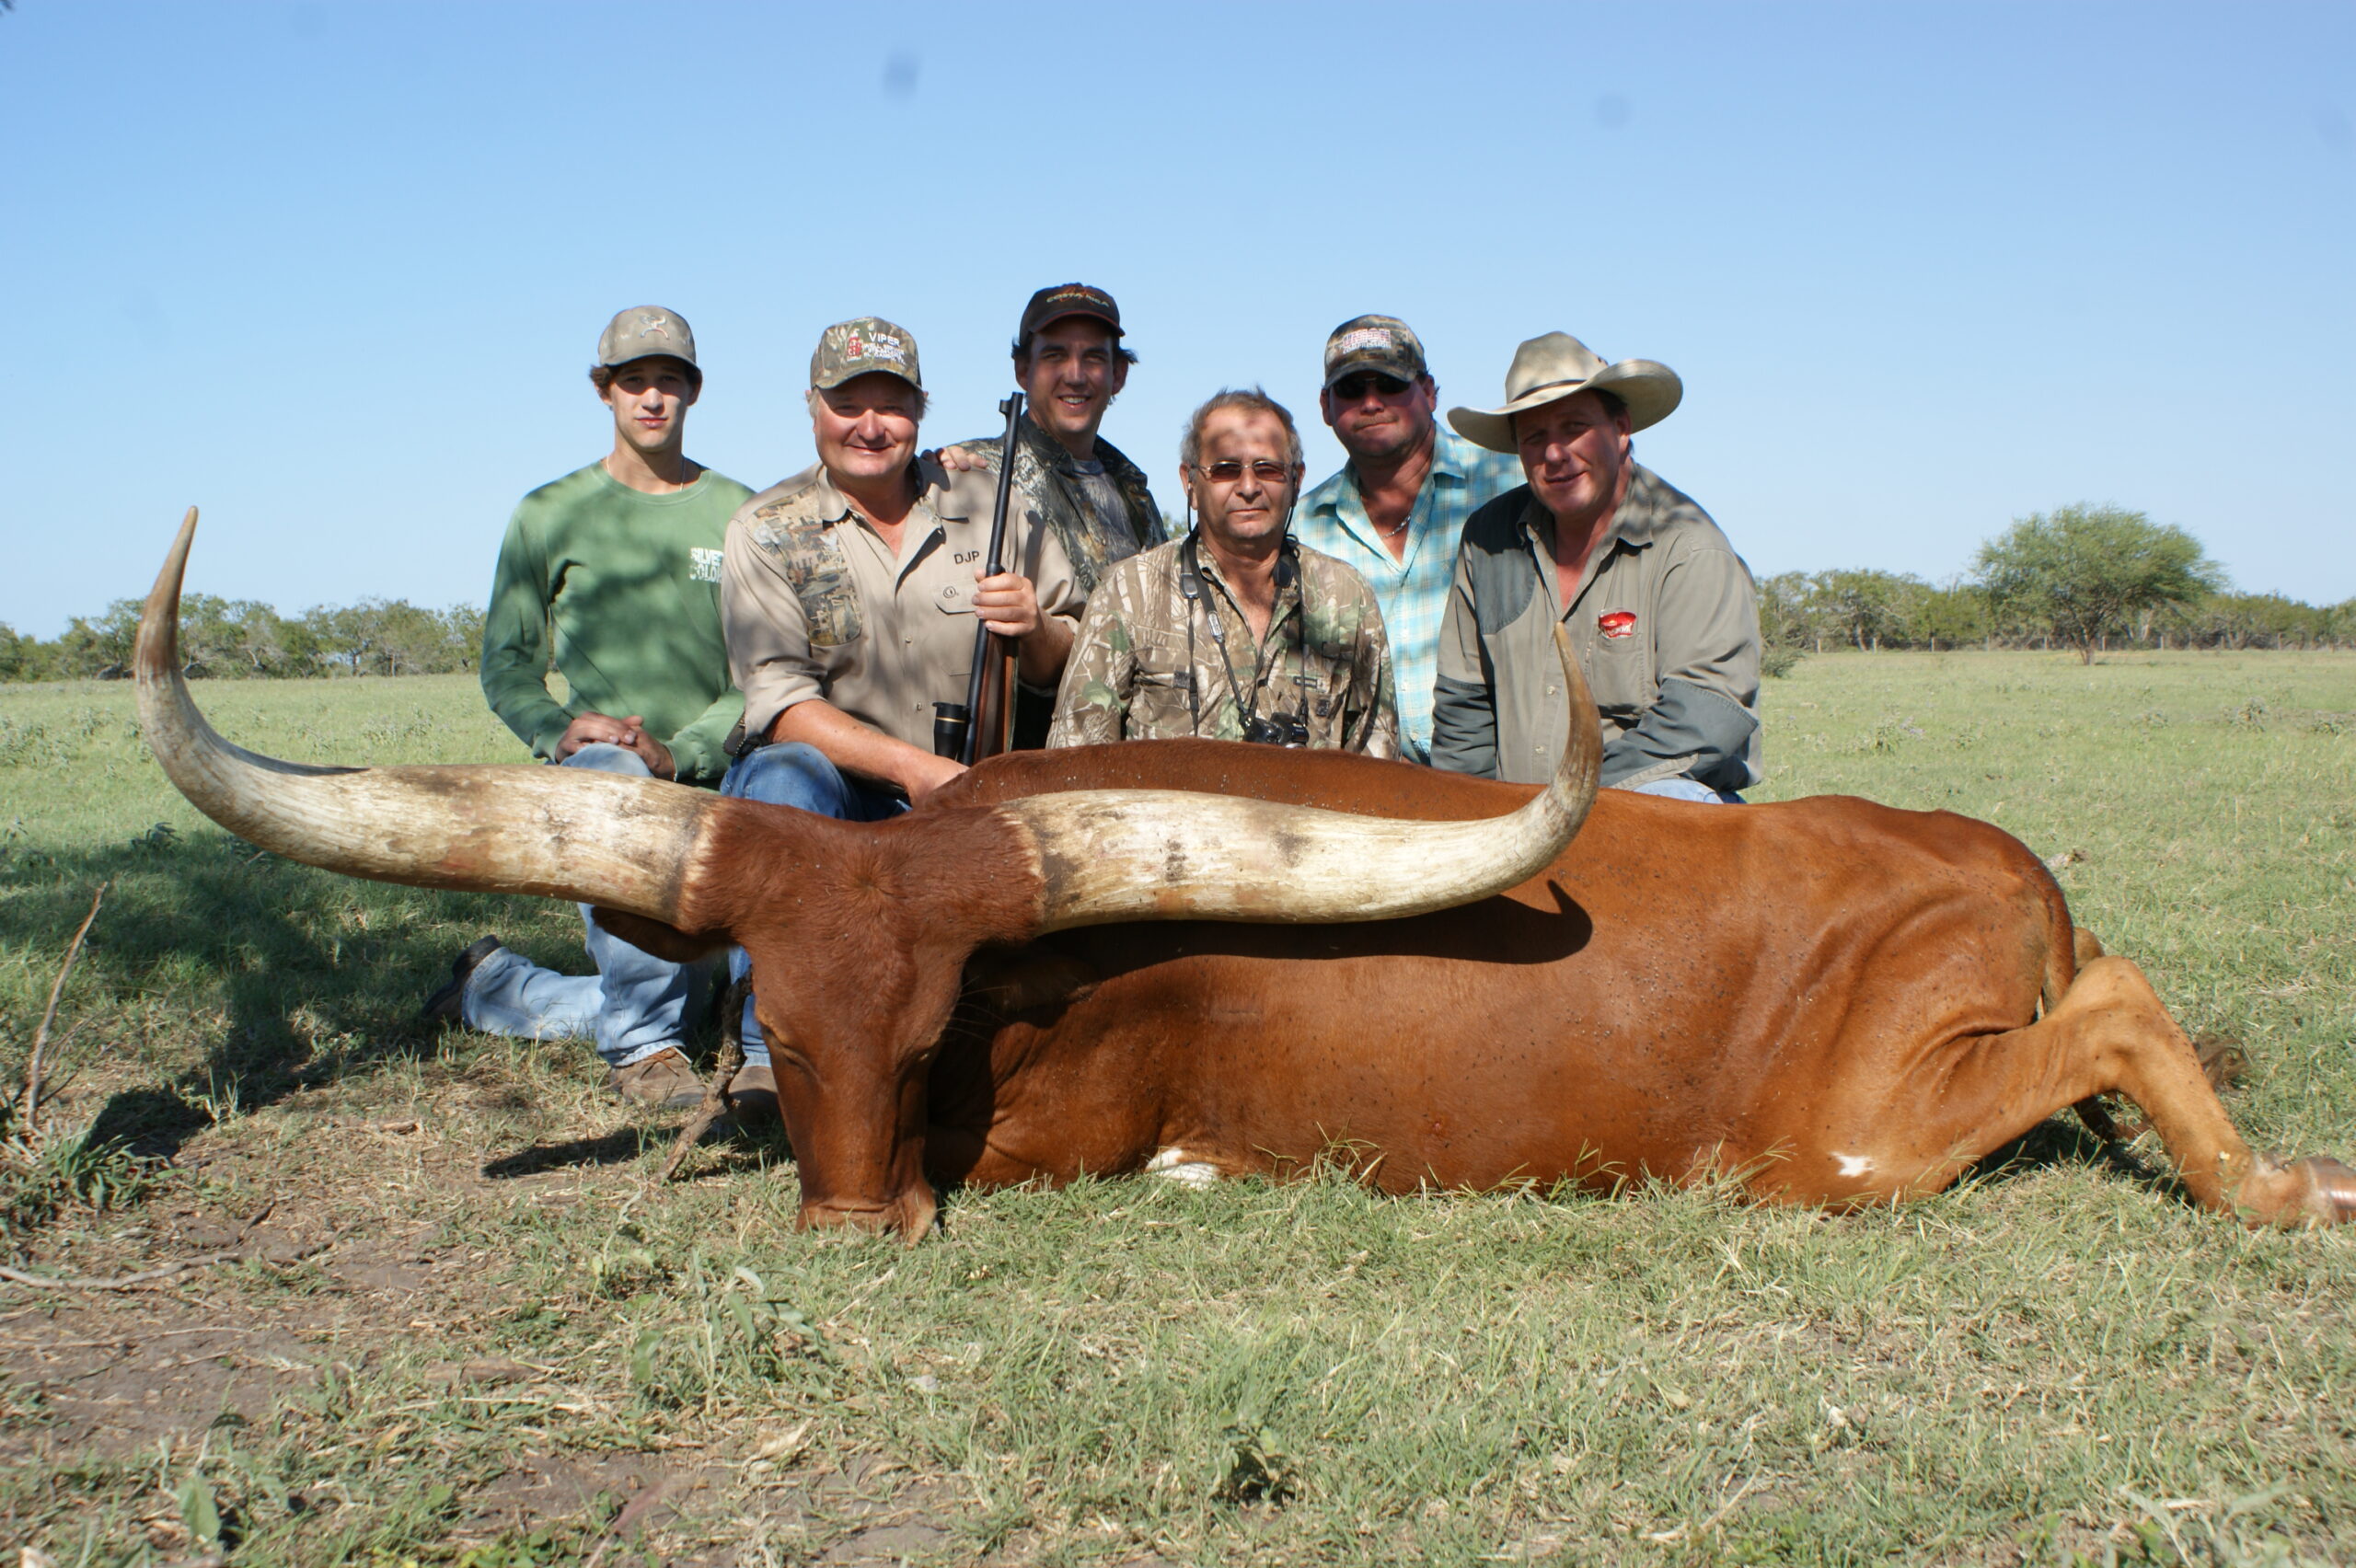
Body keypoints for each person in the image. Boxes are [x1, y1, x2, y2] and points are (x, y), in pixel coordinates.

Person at [718, 317, 1084, 1114]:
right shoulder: (765, 529)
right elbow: (780, 703)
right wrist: (917, 774)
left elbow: (1076, 658)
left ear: (921, 409)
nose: (871, 426)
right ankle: (761, 1044)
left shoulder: (992, 500)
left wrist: (1039, 625)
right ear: (813, 407)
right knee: (784, 777)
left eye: (892, 404)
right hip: (846, 801)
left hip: (970, 797)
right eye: (849, 404)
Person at [424, 306, 753, 1110]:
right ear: (603, 392)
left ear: (694, 391)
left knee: (690, 992)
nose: (651, 399)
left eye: (668, 382)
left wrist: (684, 754)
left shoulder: (742, 512)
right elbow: (506, 666)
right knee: (613, 781)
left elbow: (763, 671)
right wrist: (556, 731)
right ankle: (644, 1055)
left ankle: (495, 987)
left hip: (717, 768)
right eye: (633, 382)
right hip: (603, 782)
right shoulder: (548, 513)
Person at [1430, 332, 1761, 800]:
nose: (1554, 454)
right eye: (1535, 436)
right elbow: (1464, 709)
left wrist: (1567, 802)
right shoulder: (1487, 539)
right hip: (1517, 816)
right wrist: (1471, 815)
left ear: (1622, 428)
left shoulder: (1688, 548)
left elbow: (1705, 715)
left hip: (1644, 806)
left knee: (1677, 796)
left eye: (1574, 427)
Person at [1048, 388, 1399, 755]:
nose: (1248, 487)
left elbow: (1380, 765)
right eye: (1226, 470)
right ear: (1191, 484)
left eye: (1268, 469)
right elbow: (1073, 760)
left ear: (1296, 480)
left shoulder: (1347, 596)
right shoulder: (1128, 592)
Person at [1292, 316, 1522, 764]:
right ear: (1325, 406)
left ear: (1430, 391)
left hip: (1509, 777)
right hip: (1378, 796)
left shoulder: (1510, 482)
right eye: (1352, 388)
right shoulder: (1301, 527)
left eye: (1390, 384)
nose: (1372, 402)